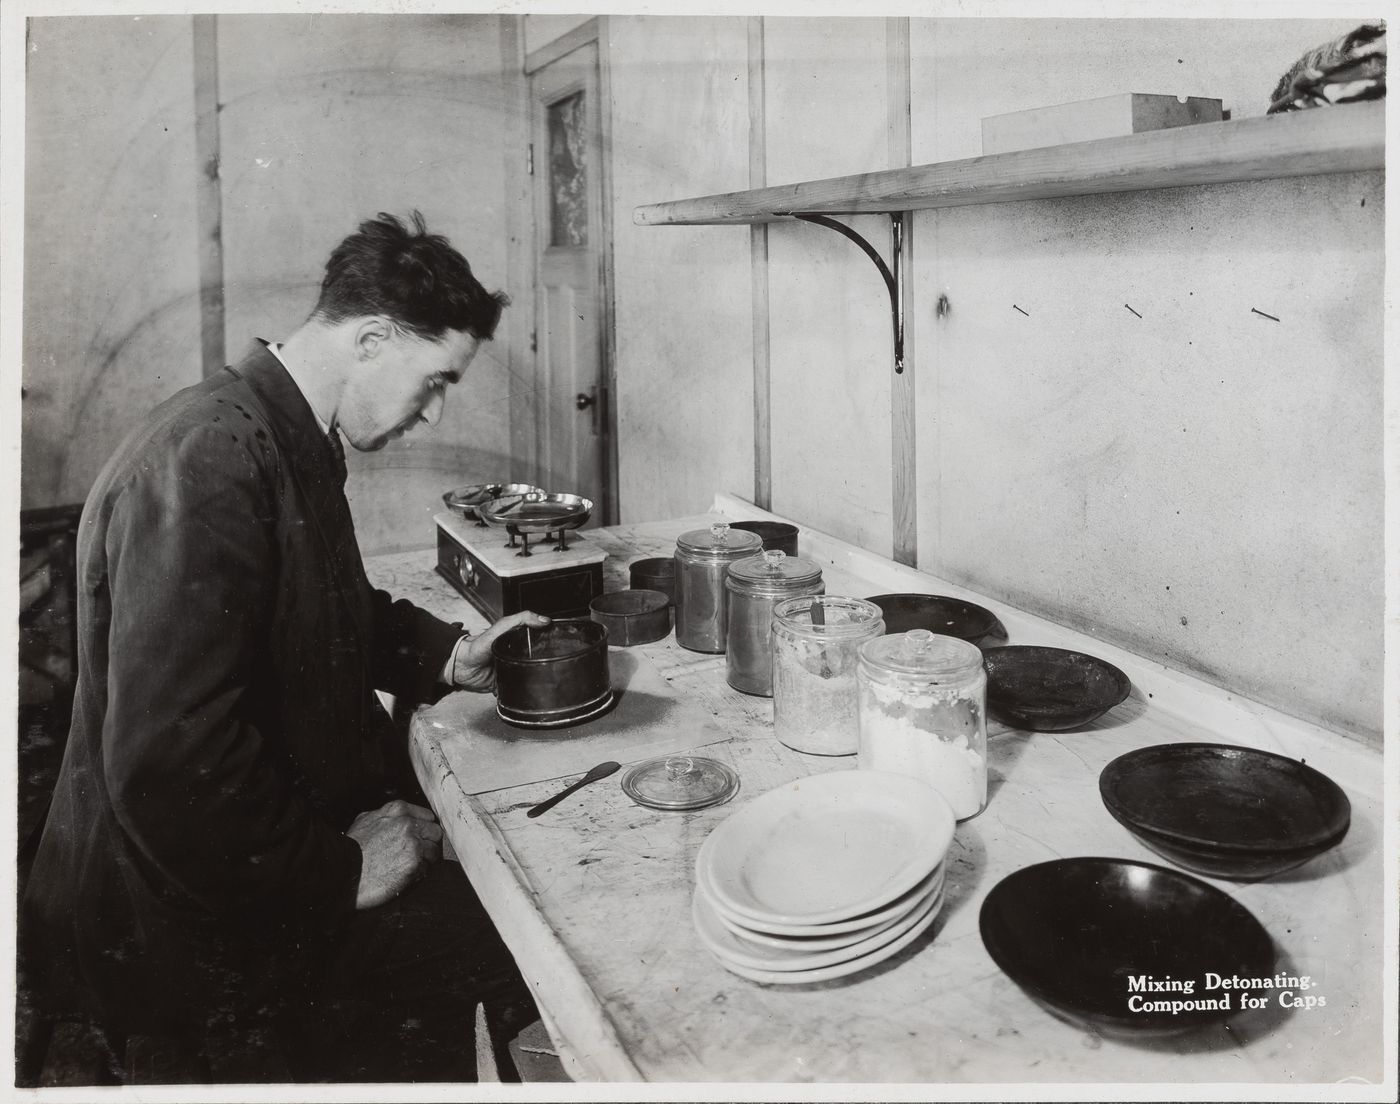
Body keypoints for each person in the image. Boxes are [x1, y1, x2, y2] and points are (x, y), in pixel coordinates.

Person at [21, 211, 547, 1082]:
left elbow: (319, 609)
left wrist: (451, 657)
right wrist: (338, 872)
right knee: (496, 936)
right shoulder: (210, 460)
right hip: (175, 910)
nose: (436, 409)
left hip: (229, 854)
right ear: (373, 338)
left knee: (485, 917)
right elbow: (169, 763)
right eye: (436, 379)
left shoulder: (280, 433)